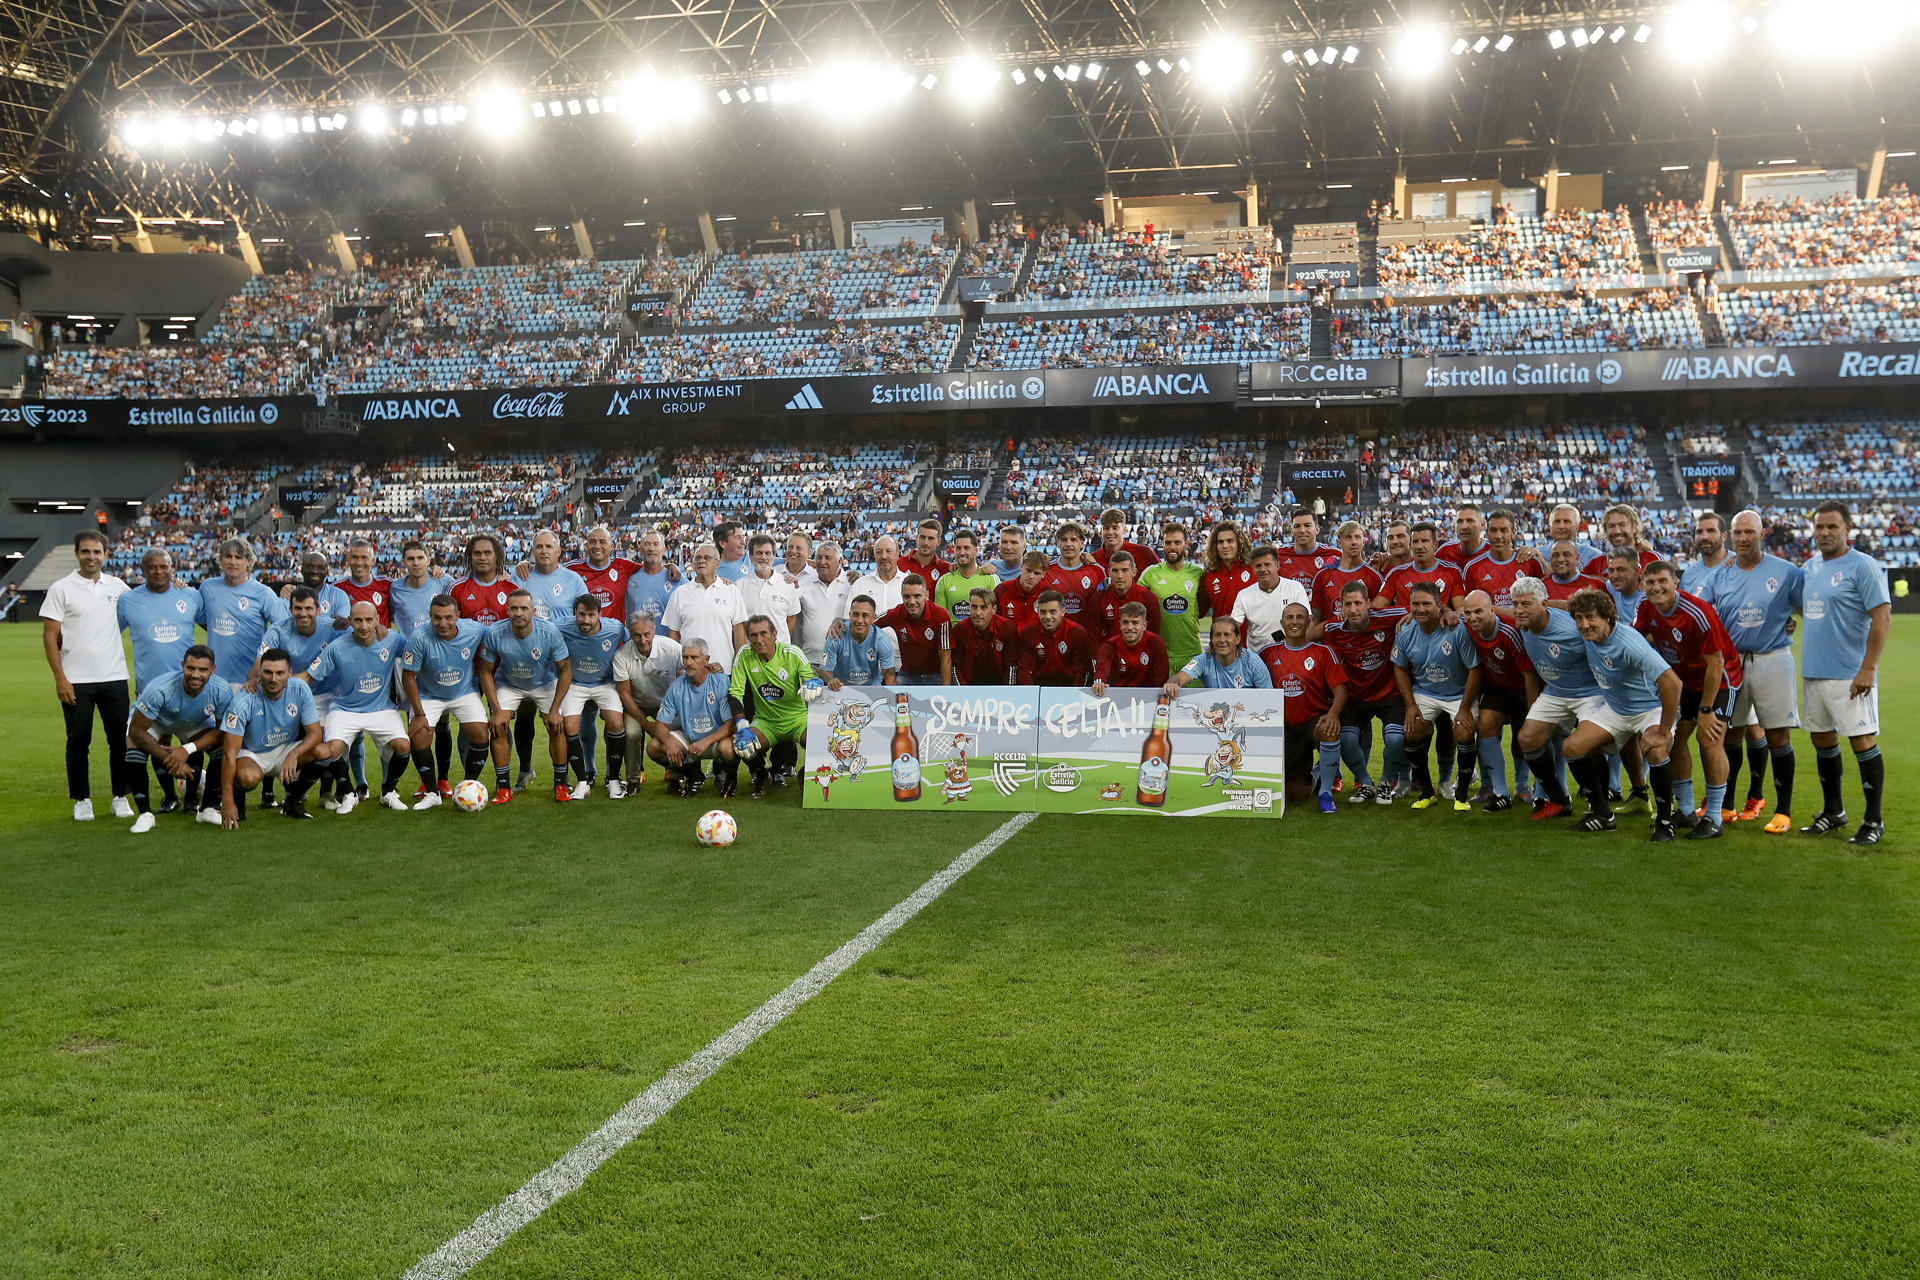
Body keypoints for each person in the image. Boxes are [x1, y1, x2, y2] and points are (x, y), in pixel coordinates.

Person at [1696, 509, 1803, 833]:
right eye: (1738, 533)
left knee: (1777, 734)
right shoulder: (1721, 574)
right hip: (1732, 662)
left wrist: (1790, 621)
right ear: (1730, 536)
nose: (1743, 538)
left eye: (1749, 532)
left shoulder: (1786, 571)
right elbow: (1701, 609)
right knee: (1730, 733)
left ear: (1762, 534)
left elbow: (1806, 607)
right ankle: (1727, 804)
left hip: (1772, 658)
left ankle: (1782, 812)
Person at [1796, 502, 1891, 845]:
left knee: (1861, 740)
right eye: (1819, 527)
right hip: (1814, 671)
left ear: (1848, 529)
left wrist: (1868, 668)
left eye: (1832, 527)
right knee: (1822, 739)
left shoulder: (1863, 565)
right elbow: (1806, 607)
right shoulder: (1809, 567)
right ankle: (1833, 811)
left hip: (1851, 674)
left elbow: (1882, 617)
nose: (1824, 533)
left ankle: (1874, 820)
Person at [1635, 561, 1742, 839]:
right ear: (1643, 585)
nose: (1656, 587)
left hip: (1719, 680)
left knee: (1709, 739)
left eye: (1662, 581)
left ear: (1675, 583)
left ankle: (1714, 817)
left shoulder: (1697, 611)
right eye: (1650, 582)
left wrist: (1706, 709)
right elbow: (1640, 638)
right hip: (1683, 681)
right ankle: (1685, 810)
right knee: (1677, 738)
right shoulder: (1646, 607)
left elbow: (1716, 662)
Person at [1565, 589, 1683, 839]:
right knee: (1573, 747)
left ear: (1607, 617)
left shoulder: (1628, 642)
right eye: (1579, 618)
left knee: (1656, 750)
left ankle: (1665, 820)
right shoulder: (1588, 635)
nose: (1584, 625)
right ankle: (1602, 815)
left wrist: (1663, 731)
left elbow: (1672, 683)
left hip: (1650, 708)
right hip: (1616, 709)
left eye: (1590, 617)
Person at [42, 530, 133, 822]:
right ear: (76, 553)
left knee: (120, 740)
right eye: (85, 551)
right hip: (76, 680)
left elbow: (144, 606)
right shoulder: (61, 588)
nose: (91, 557)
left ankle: (120, 796)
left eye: (96, 552)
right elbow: (50, 636)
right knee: (78, 741)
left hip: (114, 676)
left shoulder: (118, 586)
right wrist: (60, 678)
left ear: (106, 555)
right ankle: (82, 799)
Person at [298, 601, 413, 815]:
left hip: (381, 709)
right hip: (344, 709)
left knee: (403, 746)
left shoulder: (392, 639)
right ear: (350, 621)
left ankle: (388, 792)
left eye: (369, 620)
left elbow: (414, 652)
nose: (364, 626)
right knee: (332, 749)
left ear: (377, 620)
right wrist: (274, 683)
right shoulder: (337, 647)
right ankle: (349, 794)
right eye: (358, 620)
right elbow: (308, 676)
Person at [117, 547, 205, 812]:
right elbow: (107, 633)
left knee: (193, 742)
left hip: (189, 690)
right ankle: (169, 797)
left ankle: (192, 800)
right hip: (149, 691)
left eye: (163, 566)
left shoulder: (190, 595)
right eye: (152, 567)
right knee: (156, 743)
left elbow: (212, 625)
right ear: (142, 570)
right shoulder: (128, 600)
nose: (158, 571)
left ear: (172, 569)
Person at [1511, 575, 1605, 822]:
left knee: (1585, 745)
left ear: (1544, 604)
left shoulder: (1573, 629)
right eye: (1515, 604)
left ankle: (1600, 807)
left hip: (1589, 691)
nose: (1519, 610)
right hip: (1556, 691)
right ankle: (1559, 800)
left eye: (1526, 604)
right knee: (1527, 738)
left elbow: (1605, 647)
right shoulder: (1524, 622)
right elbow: (1496, 611)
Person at [477, 588, 574, 804]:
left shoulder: (549, 632)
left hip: (544, 683)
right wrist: (496, 709)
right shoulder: (495, 632)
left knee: (557, 726)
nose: (519, 613)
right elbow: (485, 671)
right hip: (509, 684)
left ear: (533, 611)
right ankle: (503, 787)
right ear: (507, 611)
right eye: (514, 608)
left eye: (524, 608)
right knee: (498, 726)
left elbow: (566, 670)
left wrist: (555, 710)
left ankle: (560, 784)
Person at [1391, 582, 1478, 811]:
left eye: (1426, 604)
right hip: (1425, 692)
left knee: (1463, 731)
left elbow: (1475, 669)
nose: (1420, 609)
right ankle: (1427, 793)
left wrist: (1465, 708)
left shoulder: (1457, 629)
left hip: (1458, 693)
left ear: (1439, 605)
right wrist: (1411, 705)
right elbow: (1399, 668)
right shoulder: (1406, 631)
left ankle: (1461, 796)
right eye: (1415, 604)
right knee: (1412, 730)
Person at [1320, 581, 1409, 805]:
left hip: (1389, 693)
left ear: (1368, 603)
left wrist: (1418, 614)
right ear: (1341, 607)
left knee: (1396, 738)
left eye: (1358, 603)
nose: (1353, 609)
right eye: (1348, 604)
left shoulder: (1386, 616)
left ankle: (1386, 783)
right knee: (1346, 739)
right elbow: (1312, 635)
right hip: (1356, 696)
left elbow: (1422, 607)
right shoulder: (1334, 629)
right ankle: (1365, 783)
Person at [125, 644, 232, 831]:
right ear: (182, 665)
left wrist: (186, 749)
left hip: (192, 721)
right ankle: (145, 814)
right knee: (133, 750)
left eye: (203, 670)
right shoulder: (159, 689)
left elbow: (221, 731)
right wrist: (171, 759)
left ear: (213, 670)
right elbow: (136, 731)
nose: (195, 675)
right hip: (156, 721)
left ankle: (207, 809)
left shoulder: (222, 690)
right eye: (190, 668)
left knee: (224, 749)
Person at [399, 595, 491, 810]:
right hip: (429, 695)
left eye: (448, 617)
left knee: (480, 734)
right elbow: (408, 677)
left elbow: (499, 634)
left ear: (458, 616)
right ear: (430, 617)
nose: (443, 623)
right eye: (437, 618)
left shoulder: (475, 630)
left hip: (463, 692)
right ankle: (432, 793)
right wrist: (419, 714)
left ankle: (469, 786)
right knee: (419, 735)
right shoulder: (419, 638)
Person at [217, 648, 324, 827]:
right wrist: (227, 801)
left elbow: (316, 734)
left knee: (325, 751)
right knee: (247, 777)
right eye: (268, 672)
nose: (274, 679)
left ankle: (293, 800)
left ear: (290, 673)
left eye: (280, 673)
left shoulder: (300, 689)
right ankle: (237, 800)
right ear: (259, 673)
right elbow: (228, 755)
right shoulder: (242, 702)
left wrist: (294, 755)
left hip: (285, 749)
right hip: (252, 754)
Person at [1260, 602, 1347, 812]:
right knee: (1297, 795)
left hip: (1314, 722)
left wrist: (1333, 715)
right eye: (1289, 618)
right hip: (1285, 727)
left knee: (1328, 730)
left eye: (1300, 617)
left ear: (1309, 622)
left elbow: (1341, 691)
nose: (1295, 622)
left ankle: (1325, 793)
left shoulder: (1323, 652)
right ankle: (1318, 773)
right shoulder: (1267, 653)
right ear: (1282, 623)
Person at [390, 540, 458, 796]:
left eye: (420, 557)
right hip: (409, 666)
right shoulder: (394, 589)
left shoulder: (444, 582)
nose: (416, 563)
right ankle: (425, 780)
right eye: (410, 558)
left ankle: (443, 780)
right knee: (418, 724)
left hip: (440, 662)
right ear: (404, 562)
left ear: (429, 560)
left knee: (442, 723)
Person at [1458, 589, 1533, 811]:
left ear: (1492, 610)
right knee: (1485, 725)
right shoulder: (1467, 628)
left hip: (1522, 687)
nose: (1473, 617)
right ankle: (1500, 793)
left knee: (1524, 736)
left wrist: (1533, 710)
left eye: (1478, 611)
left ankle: (1522, 786)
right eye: (1468, 613)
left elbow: (1529, 675)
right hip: (1496, 687)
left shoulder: (1510, 632)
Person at [556, 593, 629, 799]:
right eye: (581, 615)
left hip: (605, 683)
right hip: (575, 684)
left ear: (599, 614)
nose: (586, 620)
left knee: (616, 723)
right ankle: (582, 782)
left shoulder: (615, 628)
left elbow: (631, 645)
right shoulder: (561, 626)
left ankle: (613, 780)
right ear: (574, 613)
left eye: (591, 615)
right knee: (570, 726)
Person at [647, 638, 738, 797]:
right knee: (654, 747)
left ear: (706, 659)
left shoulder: (721, 682)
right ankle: (693, 774)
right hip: (690, 739)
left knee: (728, 748)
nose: (688, 662)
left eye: (694, 657)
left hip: (715, 740)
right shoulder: (676, 686)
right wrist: (669, 742)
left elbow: (730, 725)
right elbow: (660, 725)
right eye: (685, 657)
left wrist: (706, 741)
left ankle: (727, 776)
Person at [200, 537, 289, 683]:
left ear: (248, 561)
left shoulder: (263, 593)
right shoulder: (207, 587)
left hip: (250, 681)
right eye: (228, 556)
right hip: (215, 680)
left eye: (238, 557)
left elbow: (284, 628)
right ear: (221, 560)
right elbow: (201, 618)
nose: (233, 562)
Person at [613, 611, 684, 790]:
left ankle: (675, 776)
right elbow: (625, 695)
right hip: (636, 704)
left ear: (654, 630)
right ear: (629, 633)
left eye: (647, 634)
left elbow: (692, 664)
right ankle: (633, 780)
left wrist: (710, 667)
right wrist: (647, 725)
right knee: (632, 734)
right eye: (637, 635)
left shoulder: (671, 647)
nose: (643, 640)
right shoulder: (621, 655)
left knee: (676, 732)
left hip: (666, 704)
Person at [662, 545, 749, 672]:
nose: (702, 561)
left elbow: (739, 632)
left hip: (724, 670)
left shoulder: (731, 591)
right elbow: (673, 635)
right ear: (693, 564)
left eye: (707, 558)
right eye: (698, 558)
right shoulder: (679, 593)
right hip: (689, 671)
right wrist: (678, 669)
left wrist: (739, 668)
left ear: (717, 564)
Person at [1140, 521, 1205, 670]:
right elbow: (1134, 604)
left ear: (1186, 544)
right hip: (1160, 654)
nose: (1172, 547)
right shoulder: (1151, 573)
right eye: (1168, 543)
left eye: (1177, 542)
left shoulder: (1198, 573)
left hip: (1192, 653)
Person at [1229, 546, 1312, 651]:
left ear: (1277, 566)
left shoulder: (1294, 587)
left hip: (1289, 652)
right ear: (1253, 569)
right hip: (1258, 656)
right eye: (1258, 566)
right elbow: (1233, 626)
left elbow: (1307, 620)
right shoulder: (1244, 594)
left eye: (1267, 564)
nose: (1263, 569)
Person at [876, 574, 951, 686]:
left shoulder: (941, 615)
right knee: (896, 697)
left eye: (917, 596)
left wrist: (946, 691)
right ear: (901, 595)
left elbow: (946, 658)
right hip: (908, 673)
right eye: (907, 596)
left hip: (935, 674)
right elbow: (868, 624)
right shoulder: (896, 613)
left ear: (926, 595)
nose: (912, 601)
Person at [1166, 615, 1273, 693]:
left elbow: (1268, 697)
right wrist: (1172, 684)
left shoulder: (1253, 661)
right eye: (1217, 635)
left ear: (1237, 639)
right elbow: (1180, 677)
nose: (1222, 640)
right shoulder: (1202, 660)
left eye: (1227, 635)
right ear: (1212, 639)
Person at [1375, 522, 1465, 613]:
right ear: (1410, 545)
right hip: (1406, 622)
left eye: (1425, 541)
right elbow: (1376, 609)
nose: (1419, 546)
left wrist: (1446, 613)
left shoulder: (1452, 572)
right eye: (1415, 542)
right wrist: (1411, 611)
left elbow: (1461, 611)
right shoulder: (1396, 574)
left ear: (1435, 545)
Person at [1311, 521, 1381, 638]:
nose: (1354, 542)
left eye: (1357, 537)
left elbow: (1378, 616)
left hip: (1362, 641)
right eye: (1348, 538)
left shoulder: (1374, 576)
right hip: (1331, 643)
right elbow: (1315, 619)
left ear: (1363, 541)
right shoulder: (1323, 575)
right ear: (1339, 542)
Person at [1017, 590, 1098, 686]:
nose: (1048, 617)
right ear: (1037, 612)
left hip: (1069, 685)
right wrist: (1030, 692)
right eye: (1043, 612)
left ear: (1062, 612)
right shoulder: (1029, 632)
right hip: (1039, 685)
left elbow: (1081, 670)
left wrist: (1075, 692)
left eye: (1053, 612)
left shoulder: (1077, 632)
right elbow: (1024, 668)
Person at [819, 595, 900, 689]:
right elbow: (824, 670)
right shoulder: (836, 635)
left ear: (874, 618)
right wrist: (831, 680)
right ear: (850, 615)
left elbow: (889, 675)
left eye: (865, 615)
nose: (860, 620)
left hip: (872, 689)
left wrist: (891, 695)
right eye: (855, 615)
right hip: (841, 689)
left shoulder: (882, 640)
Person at [567, 525, 641, 624]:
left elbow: (653, 569)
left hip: (615, 633)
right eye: (592, 542)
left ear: (611, 546)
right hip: (584, 632)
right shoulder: (571, 569)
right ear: (586, 546)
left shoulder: (623, 566)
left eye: (602, 542)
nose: (597, 546)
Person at [1461, 507, 1527, 615]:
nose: (1498, 536)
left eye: (1504, 530)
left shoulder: (1529, 562)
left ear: (1513, 532)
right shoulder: (1473, 568)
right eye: (1493, 530)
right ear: (1487, 533)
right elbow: (1469, 608)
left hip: (1525, 626)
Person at [1093, 602, 1170, 695]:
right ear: (1120, 624)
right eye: (1125, 622)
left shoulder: (1155, 642)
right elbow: (1101, 672)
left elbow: (1161, 680)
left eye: (1135, 623)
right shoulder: (1110, 645)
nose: (1129, 627)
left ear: (1144, 625)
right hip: (1117, 696)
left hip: (1148, 697)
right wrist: (1099, 682)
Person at [796, 539, 852, 666]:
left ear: (839, 561)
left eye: (828, 558)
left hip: (842, 662)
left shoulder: (851, 584)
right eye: (819, 557)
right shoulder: (804, 584)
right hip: (810, 660)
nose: (822, 562)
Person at [737, 533, 801, 644]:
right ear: (751, 557)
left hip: (780, 652)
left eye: (768, 553)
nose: (763, 557)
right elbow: (739, 625)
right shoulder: (739, 586)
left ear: (773, 556)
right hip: (751, 651)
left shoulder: (787, 584)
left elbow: (791, 620)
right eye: (759, 553)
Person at [516, 530, 590, 623]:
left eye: (549, 546)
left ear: (558, 551)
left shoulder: (574, 580)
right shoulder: (520, 576)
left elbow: (587, 615)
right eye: (539, 547)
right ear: (533, 551)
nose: (544, 551)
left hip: (562, 633)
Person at [951, 587, 1016, 685]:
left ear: (994, 609)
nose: (978, 613)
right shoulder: (960, 630)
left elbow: (1011, 666)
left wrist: (1008, 691)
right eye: (974, 607)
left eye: (983, 607)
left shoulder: (1006, 628)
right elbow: (956, 667)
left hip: (1000, 684)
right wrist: (962, 691)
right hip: (969, 685)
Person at [1088, 550, 1161, 638]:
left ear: (1134, 572)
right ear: (1109, 572)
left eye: (1124, 570)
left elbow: (1153, 635)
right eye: (1115, 570)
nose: (1120, 576)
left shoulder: (1148, 597)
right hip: (1108, 646)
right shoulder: (1098, 598)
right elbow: (1093, 637)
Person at [1044, 520, 1106, 620]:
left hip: (1088, 629)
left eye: (1073, 540)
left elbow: (1105, 604)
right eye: (1064, 540)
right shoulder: (1047, 571)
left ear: (1082, 543)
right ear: (1058, 543)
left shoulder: (1097, 570)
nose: (1068, 544)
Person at [933, 528, 998, 621]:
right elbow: (940, 619)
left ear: (976, 550)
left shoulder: (991, 579)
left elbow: (996, 616)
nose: (962, 552)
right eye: (958, 548)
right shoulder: (944, 581)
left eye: (966, 548)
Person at [451, 532, 516, 624]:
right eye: (477, 553)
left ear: (496, 557)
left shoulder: (512, 588)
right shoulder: (456, 589)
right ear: (470, 557)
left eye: (487, 553)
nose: (482, 558)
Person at [1199, 520, 1254, 624]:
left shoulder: (1254, 569)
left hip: (1251, 635)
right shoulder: (1208, 576)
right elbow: (1198, 612)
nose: (1225, 546)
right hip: (1220, 634)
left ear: (1239, 543)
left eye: (1230, 541)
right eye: (1220, 542)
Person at [624, 530, 679, 626]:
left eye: (656, 544)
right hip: (637, 636)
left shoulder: (678, 579)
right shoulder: (629, 580)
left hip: (668, 636)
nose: (651, 548)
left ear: (664, 550)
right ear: (640, 550)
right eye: (647, 544)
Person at [1274, 509, 1336, 592]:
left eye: (1307, 525)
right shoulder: (1278, 556)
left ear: (1317, 529)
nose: (1302, 531)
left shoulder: (1334, 555)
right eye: (1297, 526)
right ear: (1292, 531)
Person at [335, 537, 394, 626]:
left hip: (383, 635)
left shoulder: (388, 585)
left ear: (373, 561)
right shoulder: (337, 589)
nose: (359, 563)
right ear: (348, 560)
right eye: (355, 557)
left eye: (364, 558)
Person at [846, 535, 907, 618]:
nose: (884, 556)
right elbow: (848, 619)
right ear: (874, 556)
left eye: (888, 551)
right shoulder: (860, 584)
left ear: (897, 554)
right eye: (879, 552)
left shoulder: (909, 583)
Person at [994, 550, 1051, 633]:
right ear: (1021, 567)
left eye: (1037, 573)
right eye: (1028, 570)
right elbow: (993, 622)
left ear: (1043, 574)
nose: (1031, 576)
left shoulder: (1048, 593)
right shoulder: (1002, 590)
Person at [1093, 508, 1160, 572]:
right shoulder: (1093, 560)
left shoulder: (1145, 553)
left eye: (1115, 528)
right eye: (1106, 528)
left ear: (1124, 530)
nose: (1110, 532)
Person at [1540, 541, 1605, 605]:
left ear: (1577, 558)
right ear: (1550, 559)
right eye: (1555, 555)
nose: (1560, 559)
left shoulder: (1597, 585)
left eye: (1566, 555)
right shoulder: (1540, 587)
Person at [1438, 502, 1489, 569]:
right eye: (1459, 521)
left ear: (1482, 524)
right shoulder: (1444, 552)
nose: (1464, 527)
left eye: (1470, 521)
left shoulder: (1494, 551)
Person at [903, 518, 949, 588]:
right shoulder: (899, 564)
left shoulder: (946, 568)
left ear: (938, 542)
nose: (926, 543)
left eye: (931, 538)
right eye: (922, 537)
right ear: (917, 538)